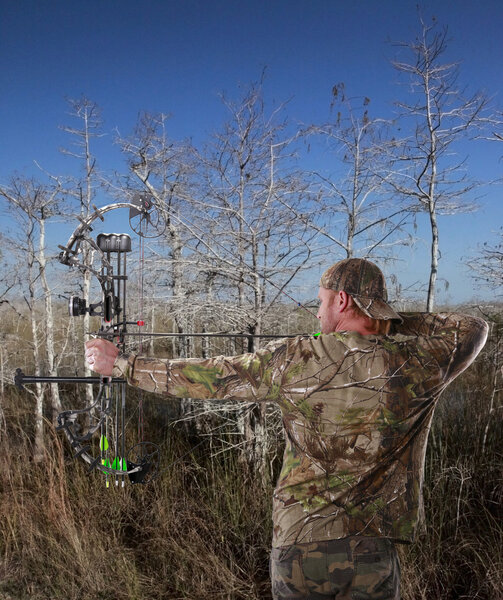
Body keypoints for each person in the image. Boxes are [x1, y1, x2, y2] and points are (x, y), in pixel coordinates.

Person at [85, 258, 488, 599]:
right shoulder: (416, 363)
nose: (317, 313)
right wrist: (383, 321)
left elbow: (210, 377)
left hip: (300, 544)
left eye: (323, 302)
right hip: (372, 547)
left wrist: (122, 365)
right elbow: (473, 328)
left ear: (342, 300)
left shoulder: (296, 356)